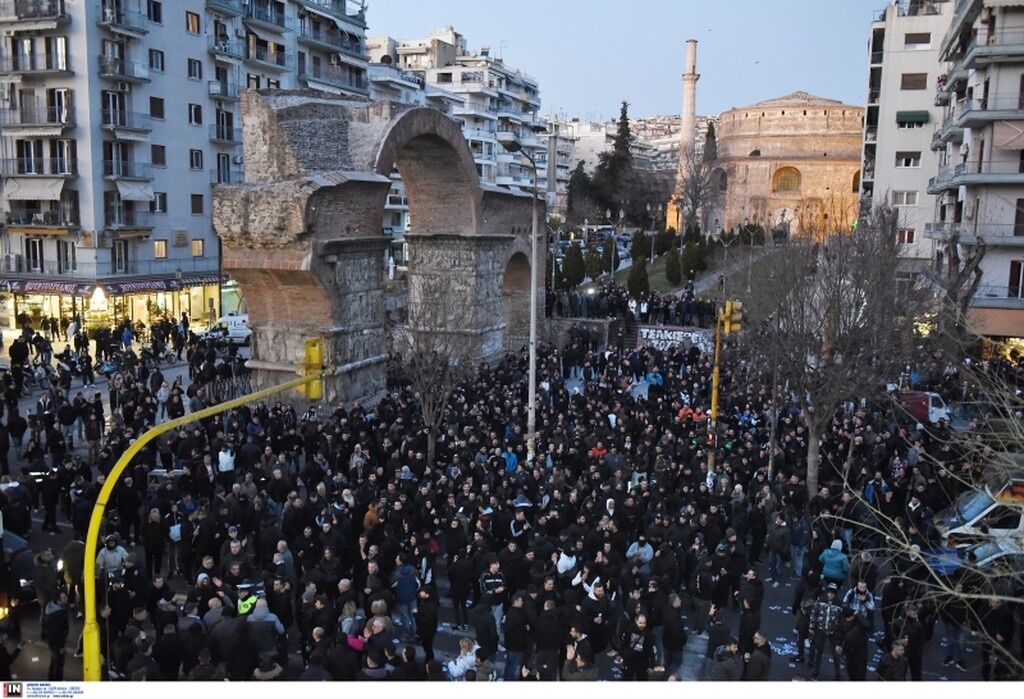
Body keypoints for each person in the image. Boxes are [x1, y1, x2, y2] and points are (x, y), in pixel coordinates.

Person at [809, 583, 843, 681]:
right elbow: (814, 613)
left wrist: (840, 631)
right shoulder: (820, 600)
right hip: (821, 629)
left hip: (834, 631)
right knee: (818, 652)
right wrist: (811, 627)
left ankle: (837, 674)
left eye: (832, 593)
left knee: (836, 654)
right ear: (826, 592)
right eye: (829, 593)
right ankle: (815, 673)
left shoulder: (839, 603)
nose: (831, 595)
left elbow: (841, 618)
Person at [43, 591, 69, 680]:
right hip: (57, 644)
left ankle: (51, 679)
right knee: (58, 664)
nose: (66, 599)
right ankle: (57, 681)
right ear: (58, 601)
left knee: (54, 661)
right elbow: (58, 632)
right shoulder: (58, 614)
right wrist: (61, 646)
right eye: (64, 598)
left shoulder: (50, 609)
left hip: (52, 642)